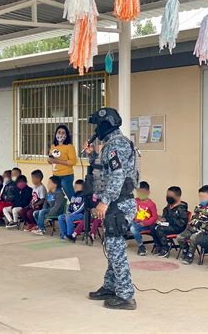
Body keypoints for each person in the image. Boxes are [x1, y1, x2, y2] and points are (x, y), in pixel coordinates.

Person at [84, 107, 138, 310]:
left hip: (119, 204)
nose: (96, 129)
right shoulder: (110, 146)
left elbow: (117, 176)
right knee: (112, 247)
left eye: (98, 125)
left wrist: (104, 201)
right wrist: (91, 157)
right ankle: (110, 286)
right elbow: (104, 171)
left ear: (106, 124)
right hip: (117, 203)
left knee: (116, 250)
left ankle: (126, 296)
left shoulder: (117, 145)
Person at [176, 185, 208, 265]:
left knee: (193, 237)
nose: (202, 199)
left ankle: (190, 255)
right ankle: (185, 250)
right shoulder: (198, 207)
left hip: (204, 231)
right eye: (200, 197)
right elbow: (194, 217)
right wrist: (192, 221)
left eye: (204, 197)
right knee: (179, 237)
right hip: (193, 228)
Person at [151, 186, 188, 258]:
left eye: (170, 196)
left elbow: (182, 223)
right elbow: (165, 216)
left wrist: (169, 219)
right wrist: (161, 219)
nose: (168, 197)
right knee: (153, 226)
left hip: (178, 227)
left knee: (160, 229)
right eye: (167, 195)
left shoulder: (182, 208)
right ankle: (158, 245)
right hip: (168, 225)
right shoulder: (169, 206)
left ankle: (165, 248)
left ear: (178, 197)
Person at [48, 125, 77, 200]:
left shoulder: (69, 146)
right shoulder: (53, 146)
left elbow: (73, 161)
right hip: (55, 175)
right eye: (59, 132)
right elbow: (51, 159)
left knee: (70, 194)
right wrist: (49, 160)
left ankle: (76, 206)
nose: (60, 134)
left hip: (66, 175)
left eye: (63, 132)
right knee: (54, 196)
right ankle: (55, 209)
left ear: (66, 135)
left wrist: (57, 161)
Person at [129, 181, 158, 256]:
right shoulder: (135, 201)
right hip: (135, 222)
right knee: (122, 223)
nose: (140, 194)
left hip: (145, 225)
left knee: (133, 228)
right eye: (139, 192)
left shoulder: (151, 204)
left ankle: (141, 246)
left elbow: (154, 217)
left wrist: (145, 223)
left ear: (148, 192)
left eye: (143, 192)